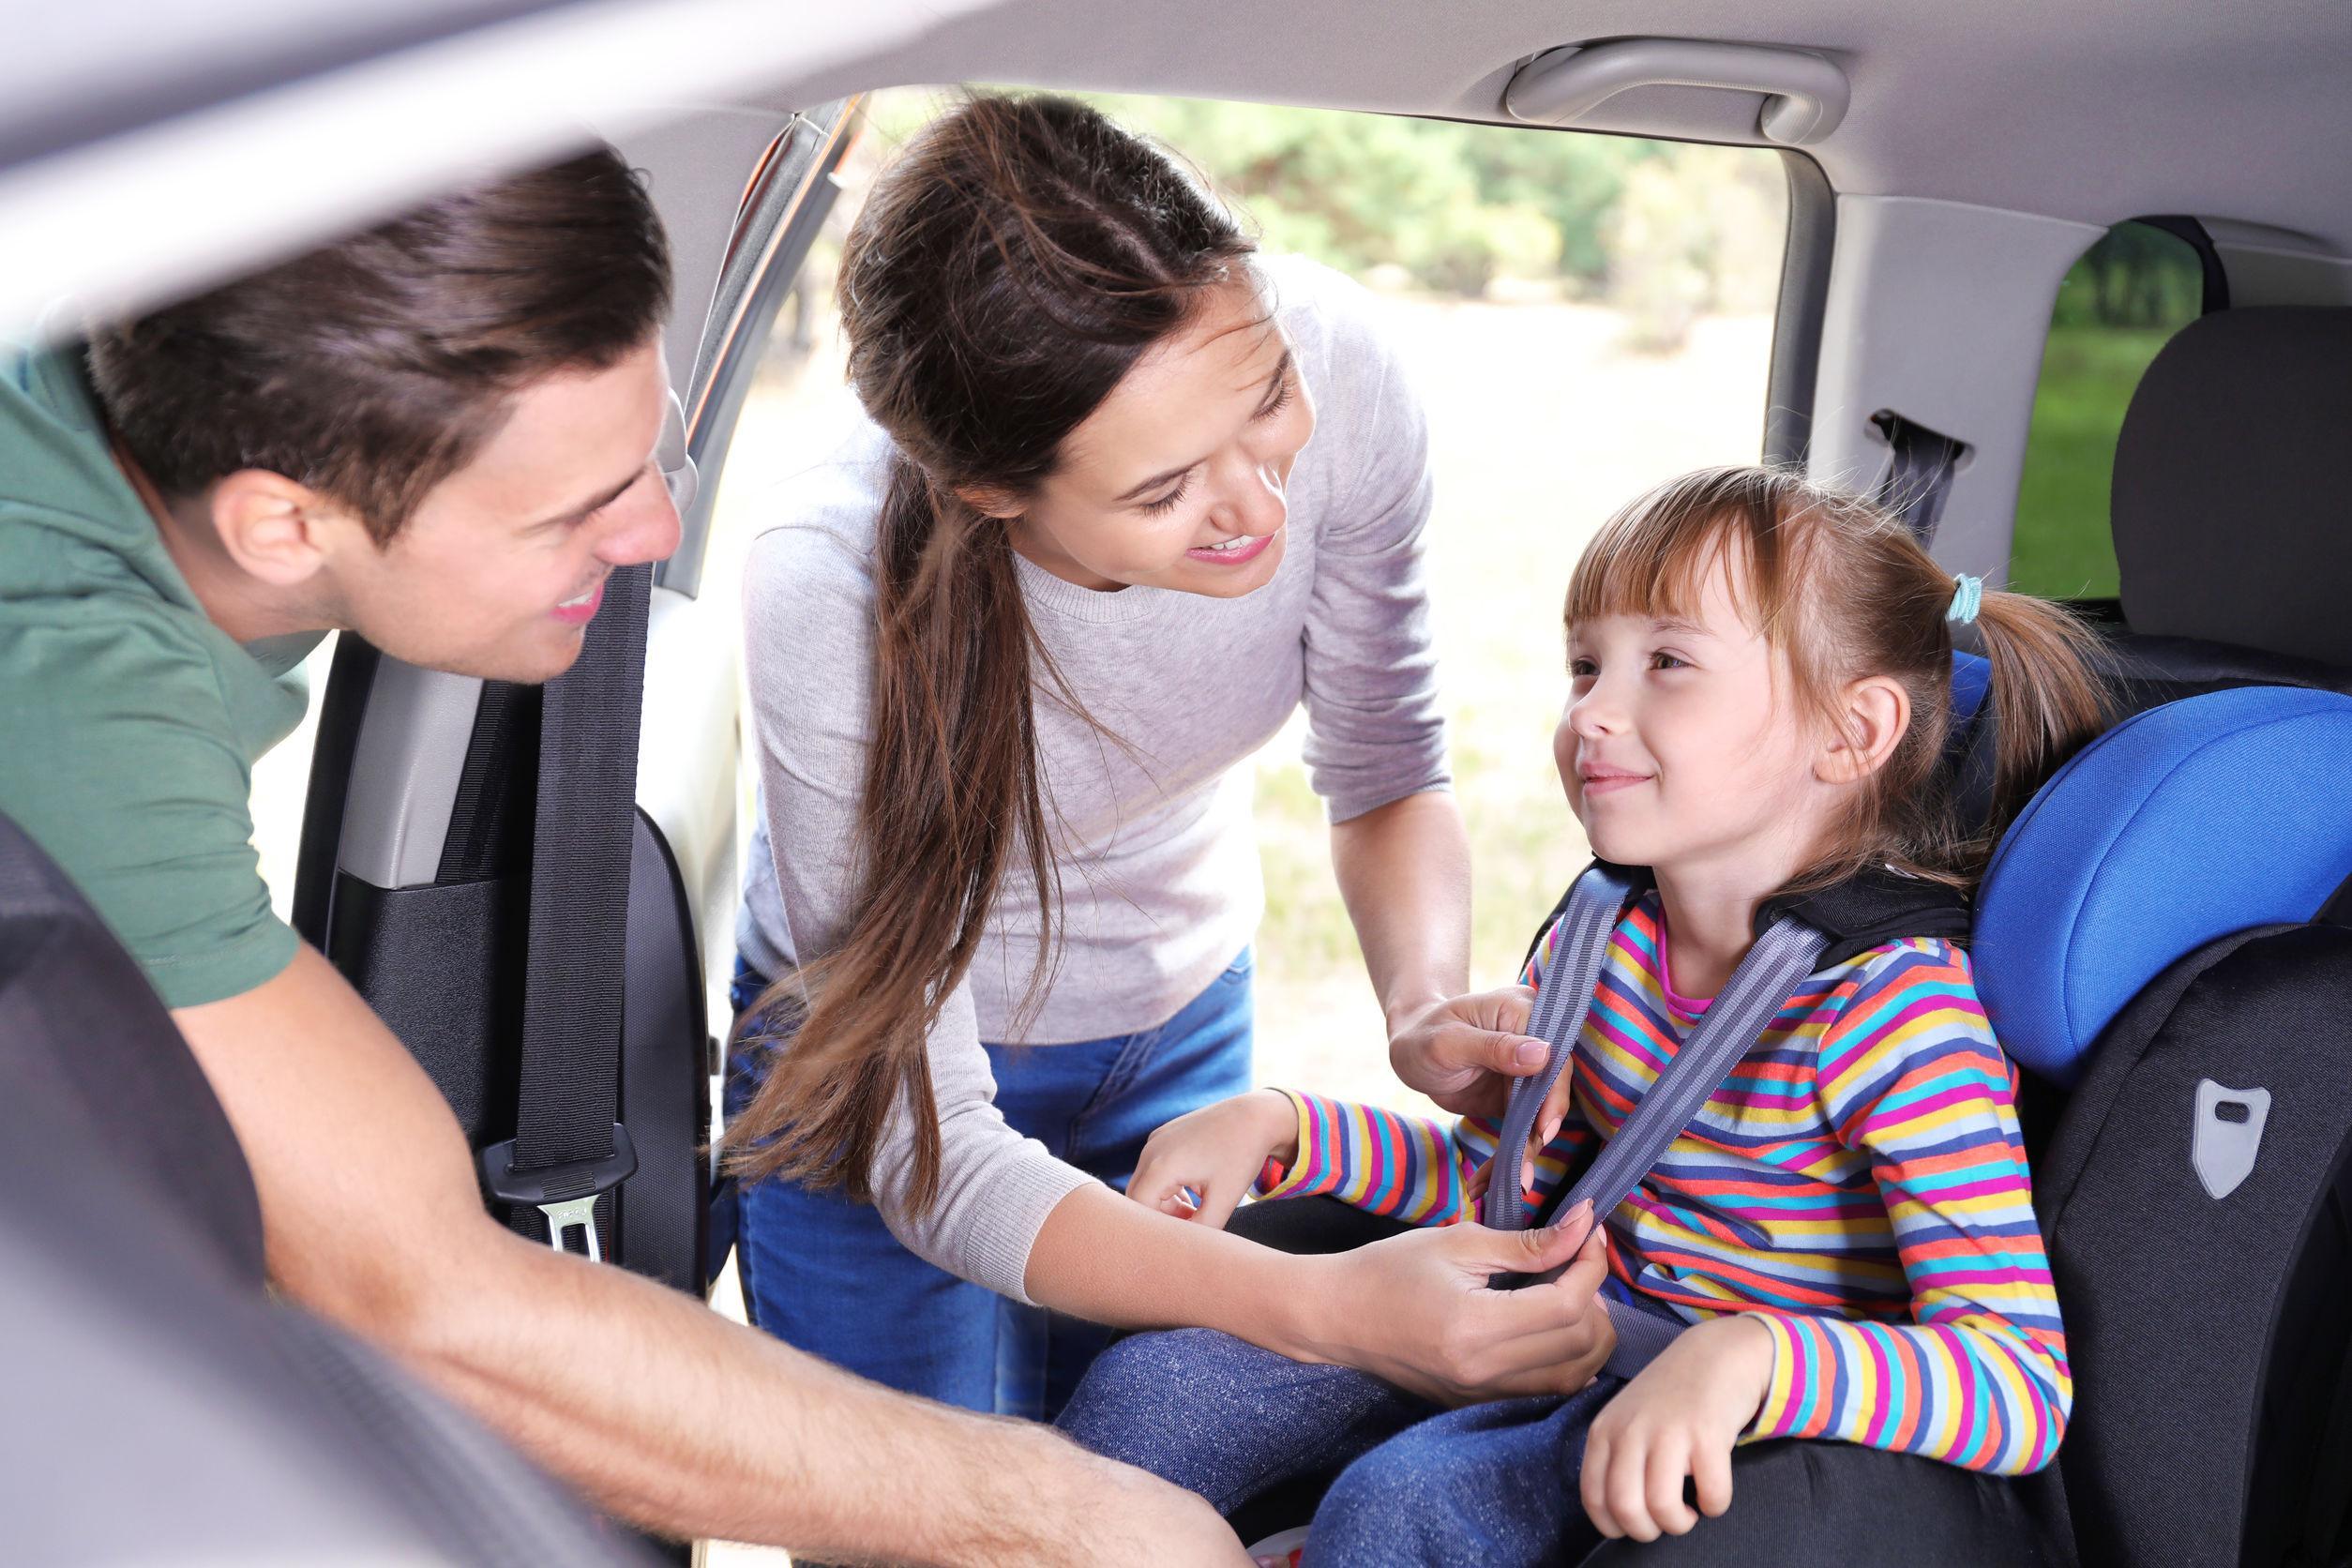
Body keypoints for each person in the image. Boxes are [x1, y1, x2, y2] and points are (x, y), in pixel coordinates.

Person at [0, 144, 1256, 1565]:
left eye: (650, 453)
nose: (658, 528)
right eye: (573, 508)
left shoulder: (185, 410)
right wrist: (1060, 1519)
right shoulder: (64, 693)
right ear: (285, 526)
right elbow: (426, 1300)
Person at [725, 91, 1613, 1425]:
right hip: (883, 1072)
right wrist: (1332, 1310)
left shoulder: (1347, 369)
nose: (1260, 506)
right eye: (1161, 491)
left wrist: (1420, 1007)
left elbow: (1384, 761)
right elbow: (941, 1153)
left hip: (1176, 1016)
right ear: (993, 493)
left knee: (1145, 1470)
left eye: (1266, 406)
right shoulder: (829, 583)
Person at [1058, 465, 2106, 1565]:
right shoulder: (1605, 943)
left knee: (1404, 1513)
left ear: (1851, 734)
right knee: (1155, 1394)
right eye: (1585, 665)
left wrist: (1750, 1357)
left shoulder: (1895, 1016)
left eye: (1668, 664)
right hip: (1546, 1330)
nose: (1594, 713)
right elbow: (1511, 1191)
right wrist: (1286, 1127)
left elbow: (2017, 1380)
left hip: (1705, 1407)